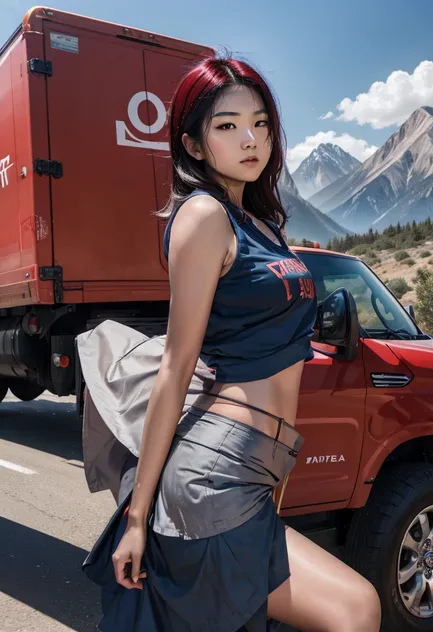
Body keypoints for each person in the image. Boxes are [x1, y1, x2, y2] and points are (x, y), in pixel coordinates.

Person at [83, 55, 382, 632]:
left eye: (260, 122)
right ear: (194, 145)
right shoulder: (203, 216)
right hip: (215, 470)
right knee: (356, 609)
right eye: (227, 126)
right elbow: (177, 365)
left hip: (261, 466)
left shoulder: (262, 224)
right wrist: (138, 518)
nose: (251, 138)